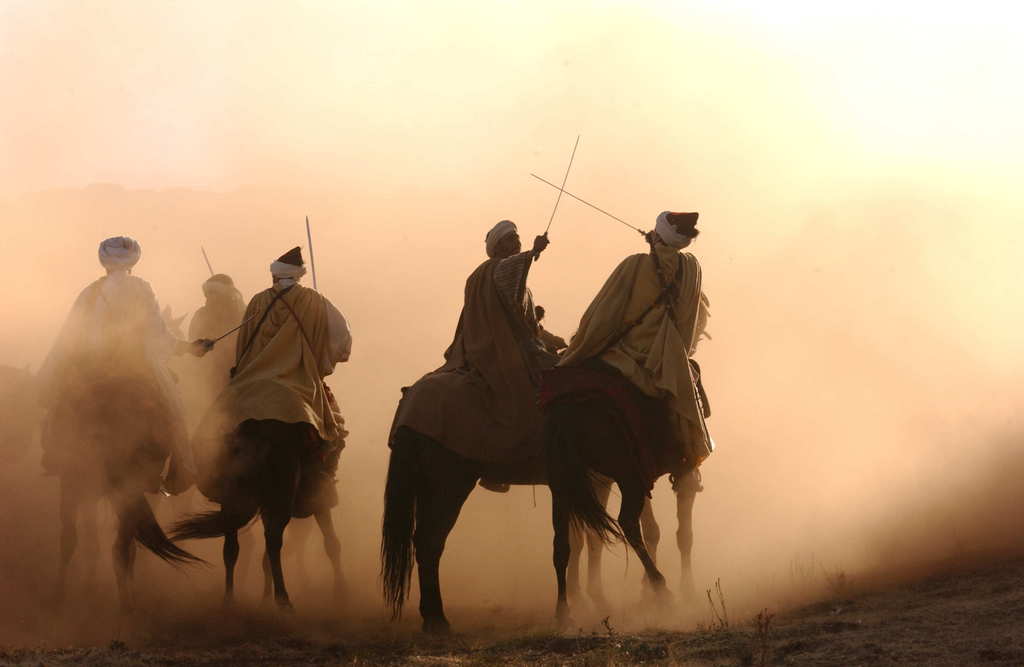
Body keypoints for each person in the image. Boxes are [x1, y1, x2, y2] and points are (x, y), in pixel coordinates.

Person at [37, 236, 210, 493]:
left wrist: (46, 380)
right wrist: (188, 348)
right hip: (136, 369)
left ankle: (55, 459)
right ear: (133, 262)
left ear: (104, 262)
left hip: (92, 370)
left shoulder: (89, 293)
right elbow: (158, 334)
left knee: (60, 409)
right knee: (174, 411)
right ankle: (176, 471)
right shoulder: (141, 288)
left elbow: (69, 338)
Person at [390, 220, 553, 491]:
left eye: (517, 237)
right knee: (544, 390)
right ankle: (512, 463)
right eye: (510, 239)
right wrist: (533, 252)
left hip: (474, 348)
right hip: (500, 349)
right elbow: (511, 282)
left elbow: (525, 323)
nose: (516, 242)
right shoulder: (496, 269)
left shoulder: (478, 277)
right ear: (497, 246)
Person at [193, 247, 351, 510]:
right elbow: (342, 342)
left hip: (253, 379)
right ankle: (322, 483)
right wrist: (322, 363)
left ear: (274, 276)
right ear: (298, 275)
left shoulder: (257, 302)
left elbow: (243, 346)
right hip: (300, 382)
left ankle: (214, 478)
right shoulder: (315, 300)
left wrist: (243, 369)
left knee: (213, 427)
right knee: (335, 430)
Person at [558, 211, 712, 473]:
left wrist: (581, 345)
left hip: (628, 353)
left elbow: (604, 313)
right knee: (691, 390)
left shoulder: (635, 265)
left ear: (658, 235)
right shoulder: (692, 269)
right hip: (669, 360)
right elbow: (694, 317)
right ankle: (687, 465)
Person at [186, 274, 246, 419]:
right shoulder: (201, 315)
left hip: (236, 373)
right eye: (208, 294)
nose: (210, 298)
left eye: (214, 293)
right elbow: (193, 343)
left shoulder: (241, 315)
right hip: (208, 375)